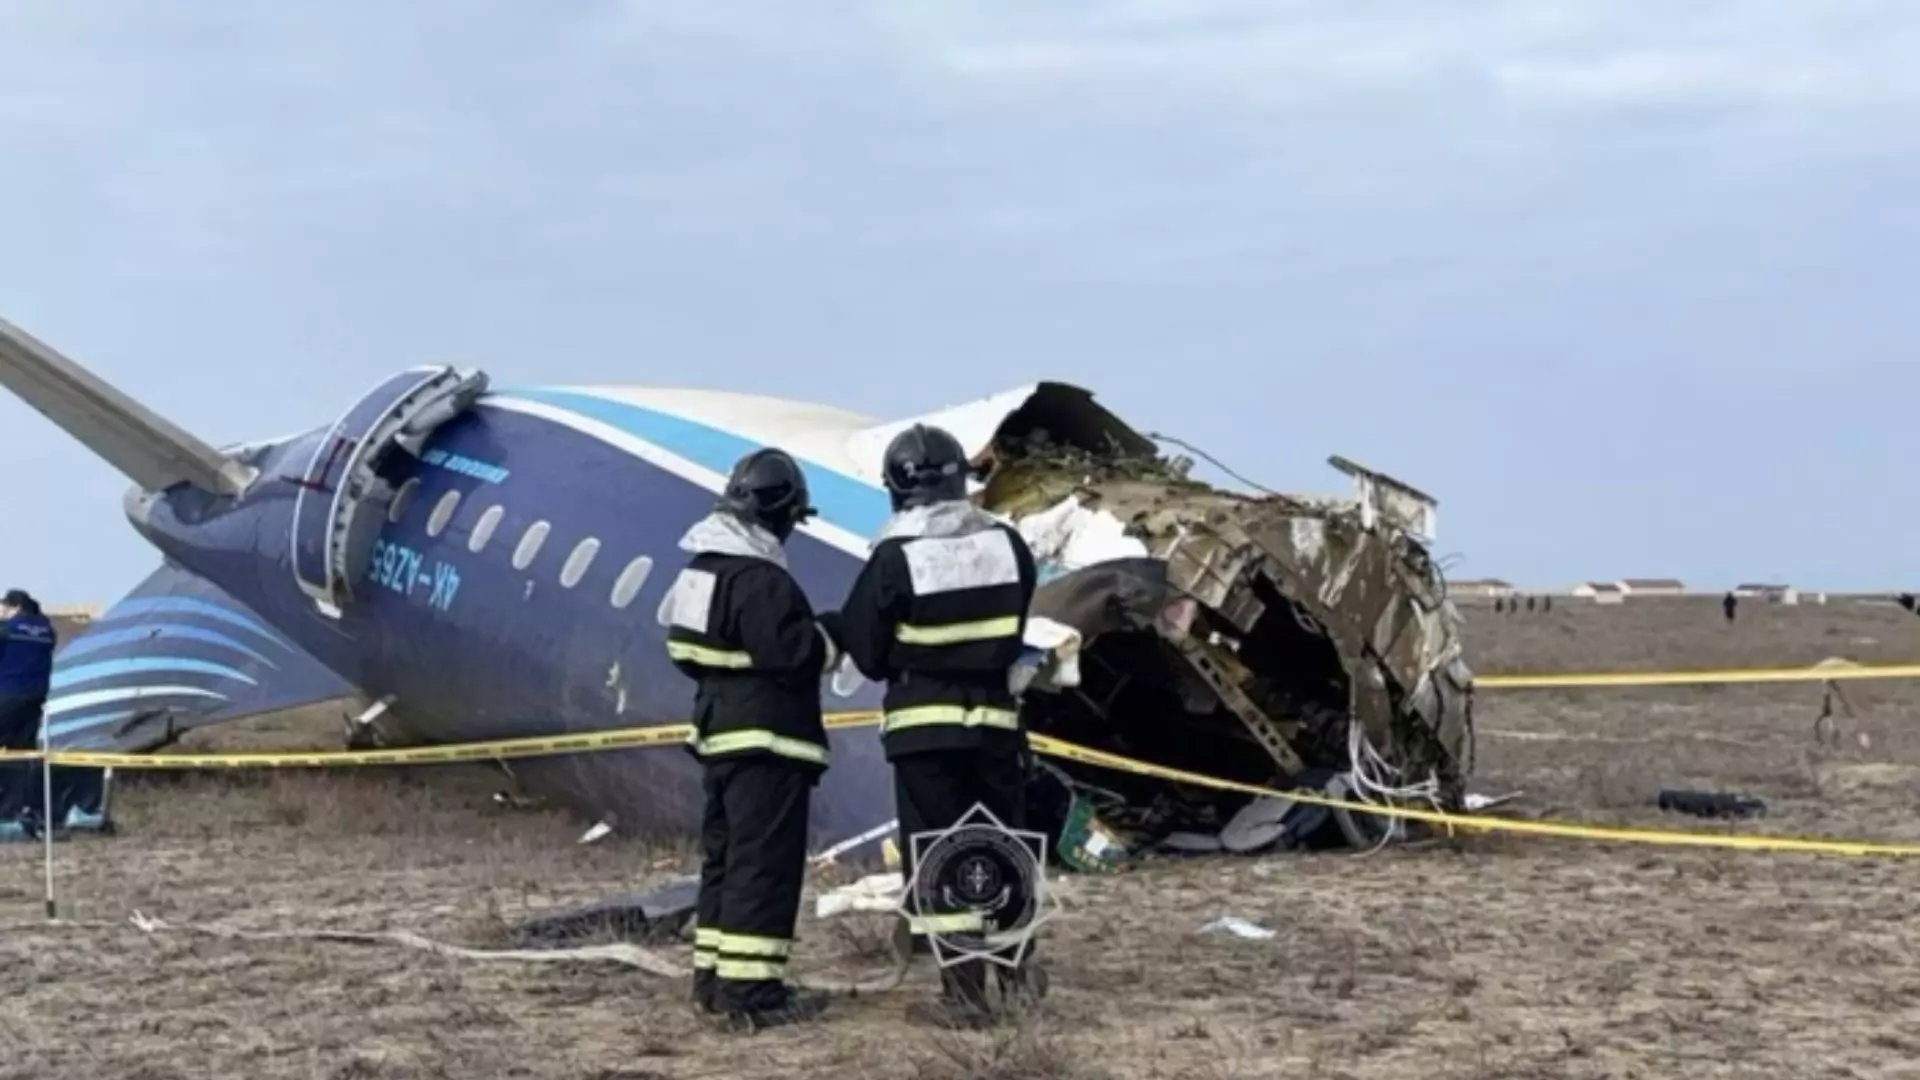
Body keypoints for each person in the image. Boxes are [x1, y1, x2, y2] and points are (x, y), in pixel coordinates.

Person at [832, 423, 1041, 1029]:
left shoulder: (895, 557)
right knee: (1004, 846)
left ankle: (966, 997)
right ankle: (1019, 973)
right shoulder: (1008, 545)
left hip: (926, 732)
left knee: (942, 856)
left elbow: (867, 652)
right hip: (996, 726)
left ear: (897, 488)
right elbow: (1016, 626)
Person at [660, 449, 839, 1032]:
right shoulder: (761, 579)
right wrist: (831, 635)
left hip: (719, 738)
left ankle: (713, 981)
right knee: (764, 866)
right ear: (782, 514)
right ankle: (752, 992)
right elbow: (793, 656)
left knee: (727, 862)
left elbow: (683, 652)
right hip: (768, 744)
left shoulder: (700, 571)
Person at [0, 589, 55, 831]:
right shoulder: (46, 631)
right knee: (21, 755)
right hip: (34, 700)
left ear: (14, 607)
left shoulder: (8, 631)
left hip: (7, 697)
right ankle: (15, 811)